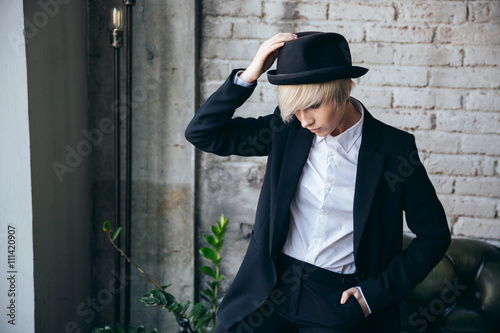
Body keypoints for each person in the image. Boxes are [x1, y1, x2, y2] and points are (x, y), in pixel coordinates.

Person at [185, 32, 451, 333]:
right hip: (271, 291)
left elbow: (434, 236)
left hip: (338, 302)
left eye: (312, 105)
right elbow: (203, 133)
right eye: (294, 109)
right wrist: (249, 74)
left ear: (343, 88)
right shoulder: (287, 130)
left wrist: (370, 296)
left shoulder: (394, 149)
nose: (304, 120)